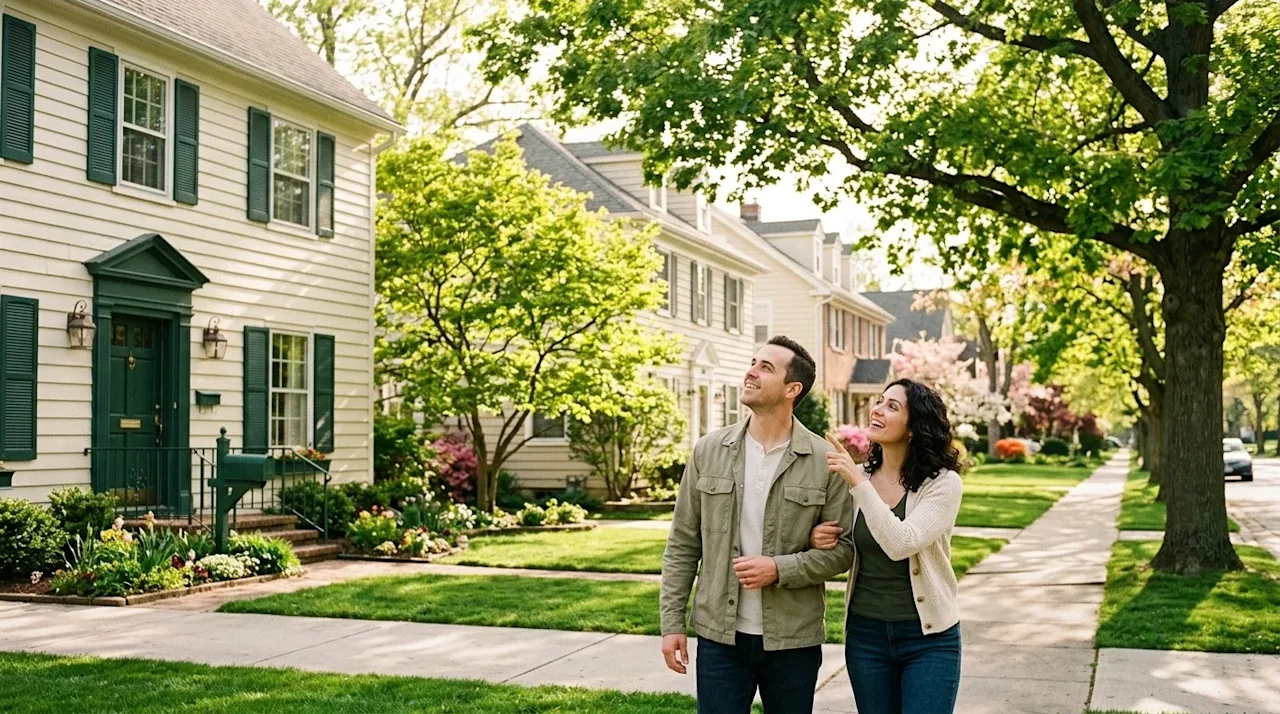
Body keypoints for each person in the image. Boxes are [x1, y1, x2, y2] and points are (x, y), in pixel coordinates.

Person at [659, 336, 854, 714]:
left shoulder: (825, 459)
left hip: (793, 640)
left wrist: (779, 568)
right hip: (720, 638)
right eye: (752, 363)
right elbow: (682, 544)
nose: (751, 372)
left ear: (792, 389)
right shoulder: (709, 450)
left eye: (766, 368)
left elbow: (843, 551)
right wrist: (672, 625)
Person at [811, 378, 965, 714]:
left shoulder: (942, 484)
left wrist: (858, 483)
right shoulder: (858, 478)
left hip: (929, 639)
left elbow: (902, 543)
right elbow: (845, 541)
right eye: (880, 401)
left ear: (913, 428)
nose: (877, 409)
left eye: (892, 406)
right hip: (866, 636)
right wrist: (819, 536)